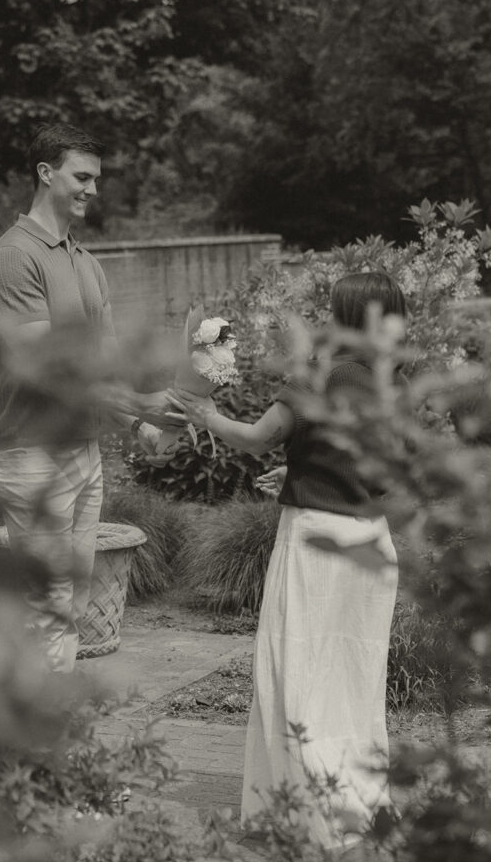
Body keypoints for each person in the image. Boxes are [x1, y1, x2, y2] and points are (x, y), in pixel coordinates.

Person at [169, 272, 407, 854]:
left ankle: (303, 811)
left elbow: (254, 438)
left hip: (317, 546)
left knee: (298, 673)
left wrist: (205, 415)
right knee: (353, 684)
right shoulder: (396, 380)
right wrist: (299, 473)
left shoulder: (318, 376)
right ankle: (363, 801)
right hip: (371, 546)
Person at [0, 122, 179, 672]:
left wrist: (143, 427)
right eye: (82, 176)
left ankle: (44, 732)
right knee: (48, 608)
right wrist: (143, 405)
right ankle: (37, 743)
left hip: (82, 453)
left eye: (96, 179)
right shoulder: (13, 258)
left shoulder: (86, 262)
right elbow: (51, 372)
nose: (92, 189)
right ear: (46, 173)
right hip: (32, 454)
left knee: (73, 607)